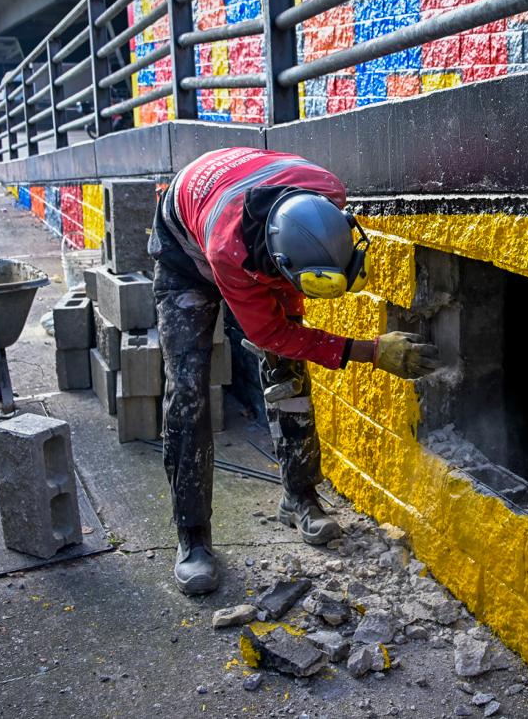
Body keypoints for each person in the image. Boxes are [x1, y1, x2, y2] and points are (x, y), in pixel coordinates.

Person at [148, 146, 441, 595]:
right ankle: (193, 539)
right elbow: (269, 333)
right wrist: (371, 351)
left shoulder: (329, 192)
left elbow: (286, 335)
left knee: (288, 373)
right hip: (187, 251)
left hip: (246, 214)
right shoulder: (230, 252)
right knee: (188, 387)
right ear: (280, 267)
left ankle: (299, 498)